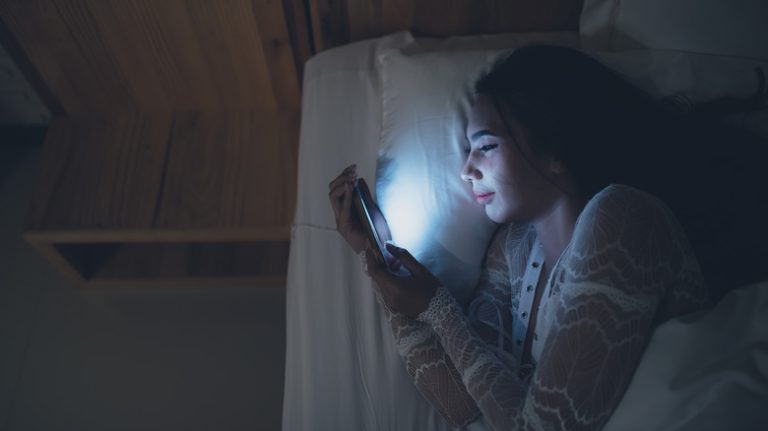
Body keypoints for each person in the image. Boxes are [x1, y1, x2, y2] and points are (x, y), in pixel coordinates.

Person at [327, 46, 711, 430]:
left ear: (555, 149)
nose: (466, 170)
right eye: (468, 149)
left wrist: (439, 310)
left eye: (487, 146)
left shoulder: (626, 218)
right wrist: (380, 257)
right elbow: (469, 411)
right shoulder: (513, 249)